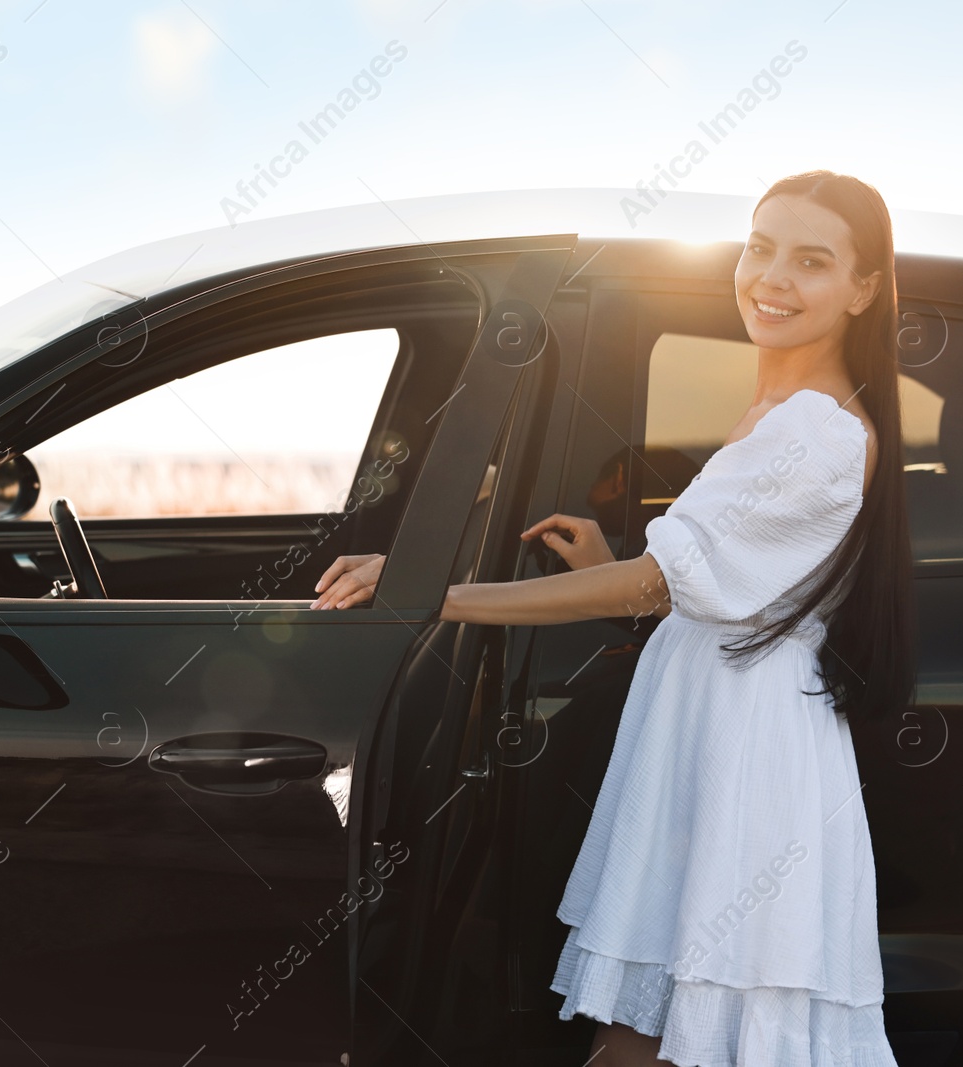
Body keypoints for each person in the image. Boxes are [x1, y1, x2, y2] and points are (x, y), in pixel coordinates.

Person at [309, 169, 915, 1066]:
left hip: (744, 761)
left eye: (812, 261)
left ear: (864, 289)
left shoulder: (815, 431)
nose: (772, 277)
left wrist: (428, 590)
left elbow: (660, 586)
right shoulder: (780, 414)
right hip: (713, 738)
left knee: (674, 1039)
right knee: (646, 1038)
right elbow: (716, 588)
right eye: (759, 247)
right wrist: (615, 565)